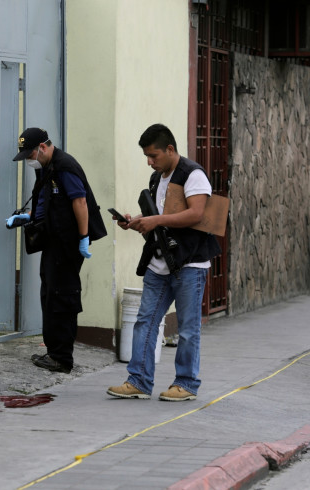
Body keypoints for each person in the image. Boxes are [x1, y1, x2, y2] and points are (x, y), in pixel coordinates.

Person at [107, 124, 220, 401]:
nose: (150, 161)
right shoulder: (157, 178)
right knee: (145, 321)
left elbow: (196, 214)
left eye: (154, 155)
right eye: (147, 156)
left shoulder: (193, 174)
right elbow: (161, 221)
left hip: (190, 264)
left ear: (170, 149)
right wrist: (136, 223)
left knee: (188, 328)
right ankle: (139, 381)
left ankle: (186, 383)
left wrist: (155, 220)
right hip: (160, 262)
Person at [8, 128, 106, 374]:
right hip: (54, 240)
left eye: (30, 154)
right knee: (50, 294)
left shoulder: (64, 166)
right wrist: (27, 217)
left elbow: (80, 201)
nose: (29, 160)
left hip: (68, 242)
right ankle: (53, 351)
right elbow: (46, 202)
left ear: (42, 147)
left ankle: (62, 358)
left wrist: (83, 238)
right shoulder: (46, 167)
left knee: (62, 296)